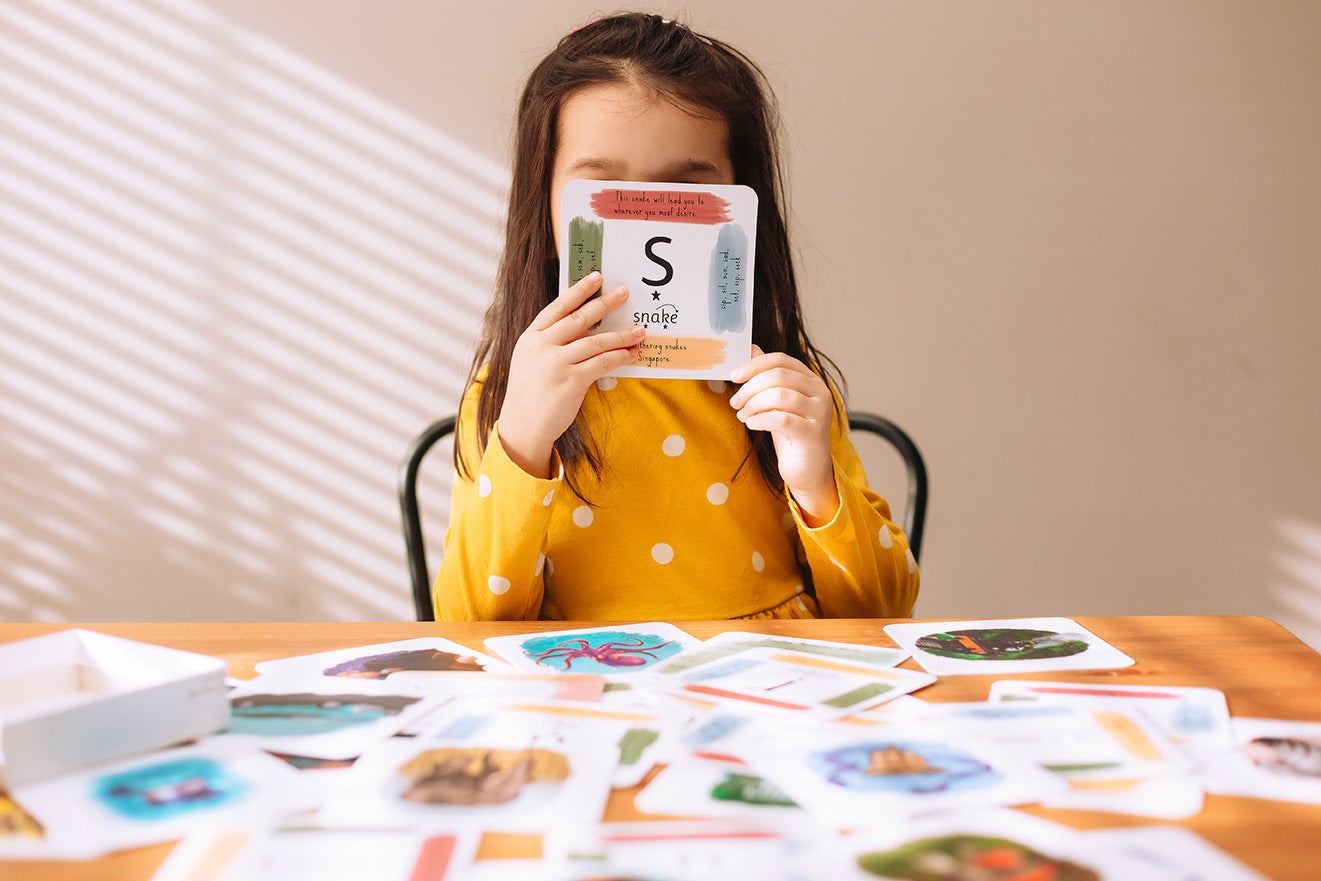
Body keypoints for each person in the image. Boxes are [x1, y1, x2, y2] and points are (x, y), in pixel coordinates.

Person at [435, 13, 918, 621]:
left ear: (743, 212)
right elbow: (468, 627)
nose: (645, 225)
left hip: (771, 685)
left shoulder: (780, 380)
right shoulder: (510, 389)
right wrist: (524, 440)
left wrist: (815, 481)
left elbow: (886, 612)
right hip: (590, 689)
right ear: (548, 211)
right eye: (605, 194)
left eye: (684, 193)